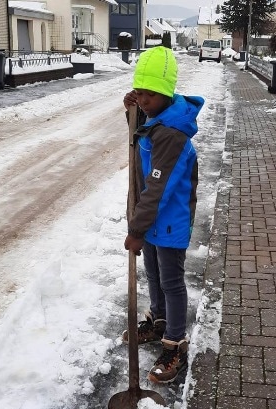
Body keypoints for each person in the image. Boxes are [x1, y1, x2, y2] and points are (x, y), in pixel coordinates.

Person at [122, 47, 204, 383]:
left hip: (167, 220)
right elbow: (143, 128)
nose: (142, 100)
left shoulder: (171, 134)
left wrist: (137, 229)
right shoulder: (158, 118)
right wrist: (132, 109)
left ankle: (175, 346)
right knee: (154, 276)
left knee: (171, 282)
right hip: (154, 216)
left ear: (165, 94)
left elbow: (158, 188)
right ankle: (157, 322)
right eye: (138, 92)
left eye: (148, 95)